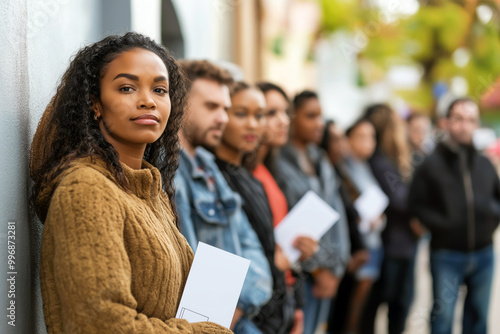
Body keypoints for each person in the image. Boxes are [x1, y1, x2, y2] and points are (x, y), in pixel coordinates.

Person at [29, 32, 231, 334]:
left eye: (160, 90)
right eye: (127, 88)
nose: (148, 101)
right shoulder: (86, 188)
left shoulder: (150, 190)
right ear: (95, 103)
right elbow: (99, 324)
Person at [174, 60, 272, 333]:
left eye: (226, 109)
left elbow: (255, 253)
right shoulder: (170, 173)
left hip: (233, 318)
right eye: (211, 107)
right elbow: (186, 269)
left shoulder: (208, 165)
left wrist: (237, 306)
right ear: (179, 103)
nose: (223, 118)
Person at [409, 98, 500, 334]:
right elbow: (416, 204)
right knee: (443, 319)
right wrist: (442, 227)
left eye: (471, 120)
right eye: (458, 118)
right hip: (447, 254)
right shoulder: (430, 165)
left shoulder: (484, 163)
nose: (464, 125)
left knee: (479, 318)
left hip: (484, 254)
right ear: (445, 122)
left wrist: (490, 223)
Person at [215, 82, 295, 334]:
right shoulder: (215, 179)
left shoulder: (252, 178)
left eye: (259, 115)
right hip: (241, 318)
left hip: (273, 311)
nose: (252, 124)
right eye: (241, 114)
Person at [275, 90, 350, 334]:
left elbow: (336, 214)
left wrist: (336, 270)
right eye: (311, 116)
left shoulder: (320, 159)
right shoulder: (279, 162)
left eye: (320, 116)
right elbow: (289, 223)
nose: (319, 124)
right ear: (293, 118)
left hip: (329, 271)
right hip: (303, 273)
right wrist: (318, 269)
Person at [253, 82, 320, 334]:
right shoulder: (246, 175)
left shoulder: (271, 169)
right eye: (271, 113)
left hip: (285, 294)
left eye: (284, 112)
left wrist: (301, 248)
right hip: (263, 304)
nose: (282, 121)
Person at [359, 104, 418, 334]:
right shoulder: (382, 162)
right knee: (392, 305)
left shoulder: (380, 160)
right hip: (393, 245)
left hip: (394, 242)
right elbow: (401, 199)